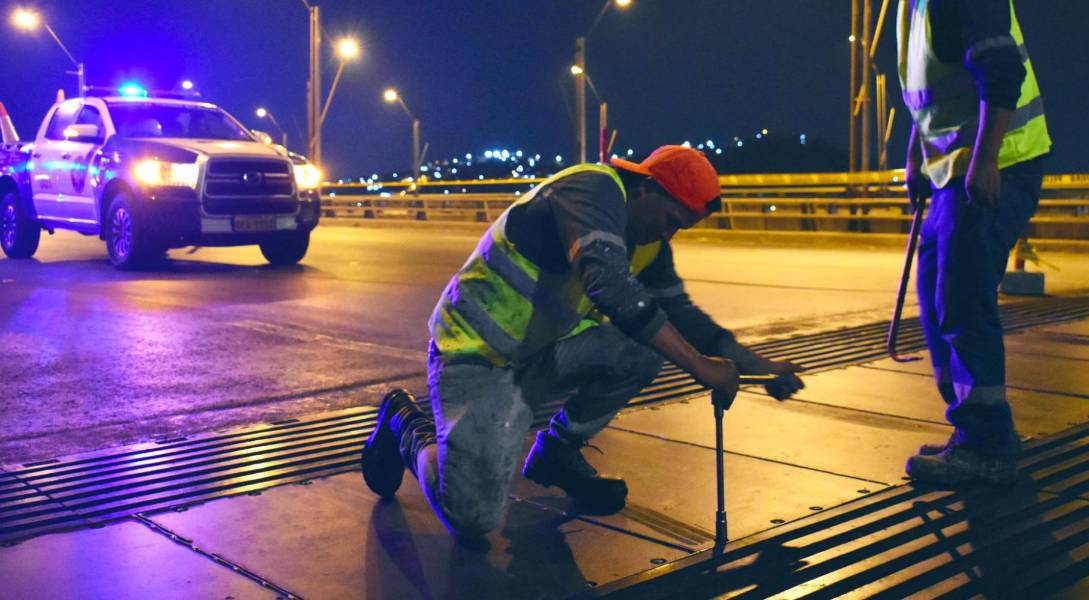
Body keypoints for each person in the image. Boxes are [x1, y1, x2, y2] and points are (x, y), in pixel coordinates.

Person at [361, 145, 804, 538]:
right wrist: (702, 368)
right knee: (473, 517)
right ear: (647, 188)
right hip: (475, 357)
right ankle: (405, 424)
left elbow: (689, 322)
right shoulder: (590, 191)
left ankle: (556, 453)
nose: (669, 235)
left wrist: (763, 369)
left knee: (645, 349)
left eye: (680, 228)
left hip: (537, 358)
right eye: (671, 220)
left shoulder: (646, 241)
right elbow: (610, 286)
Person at [897, 0, 1052, 485]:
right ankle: (969, 429)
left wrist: (986, 158)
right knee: (935, 292)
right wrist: (916, 159)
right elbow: (929, 99)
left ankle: (985, 445)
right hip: (952, 169)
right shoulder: (911, 7)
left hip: (998, 161)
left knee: (962, 297)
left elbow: (1002, 68)